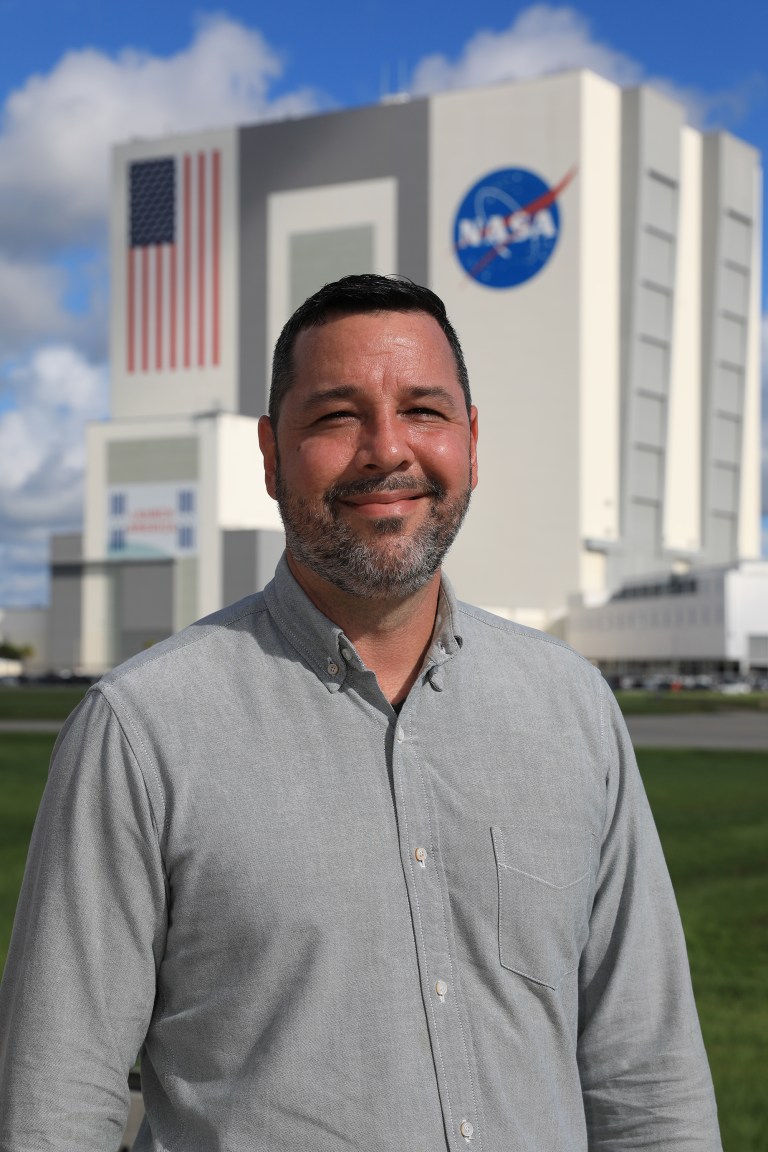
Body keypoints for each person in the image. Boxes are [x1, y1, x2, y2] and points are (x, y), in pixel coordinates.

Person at [0, 275, 721, 1151]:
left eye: (423, 410)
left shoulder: (574, 710)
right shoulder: (141, 734)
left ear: (471, 439)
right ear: (270, 457)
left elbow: (647, 1081)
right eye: (337, 417)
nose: (387, 451)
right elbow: (53, 1106)